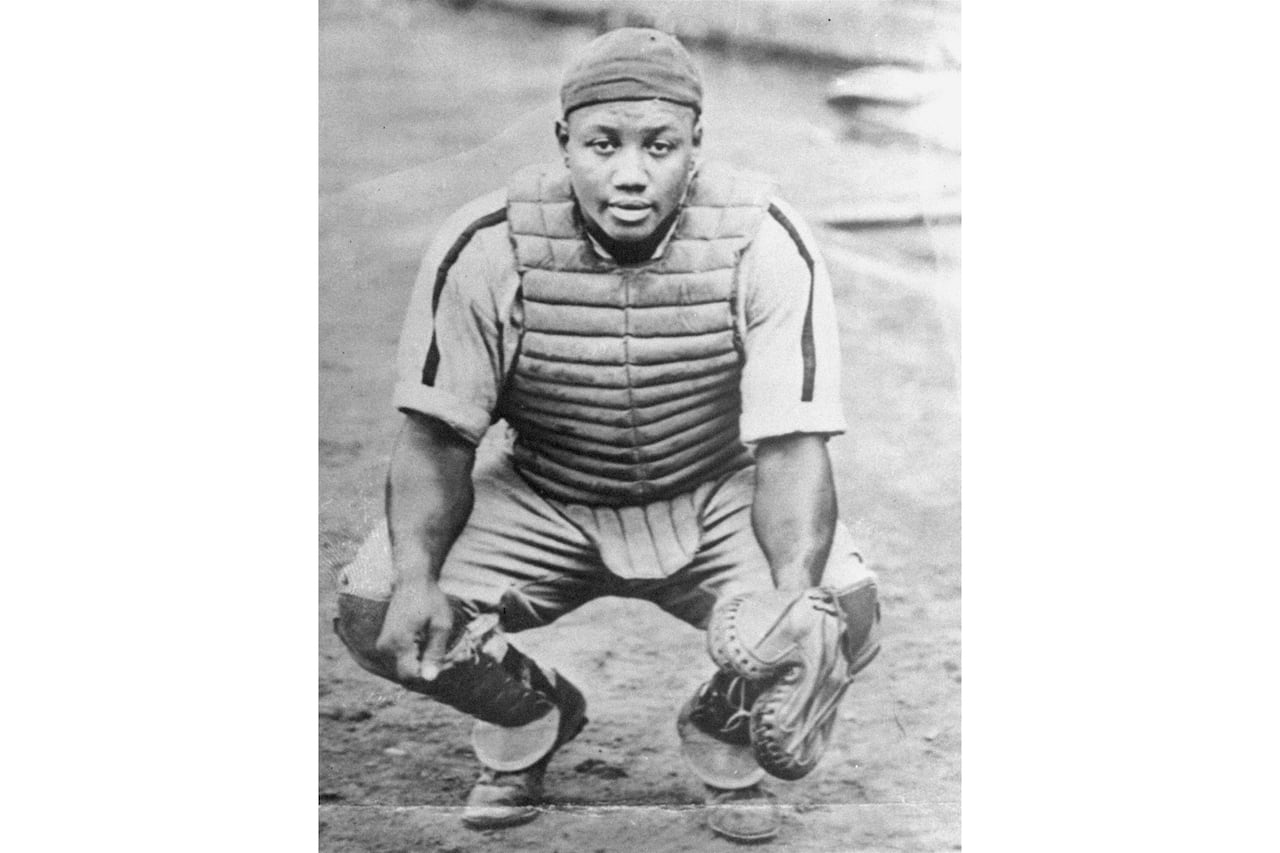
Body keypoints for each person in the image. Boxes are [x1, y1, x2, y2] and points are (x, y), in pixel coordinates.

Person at [333, 27, 881, 844]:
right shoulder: (488, 244)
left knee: (843, 609)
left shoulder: (765, 238)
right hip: (548, 493)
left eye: (659, 145)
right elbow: (437, 437)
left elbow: (792, 444)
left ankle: (723, 731)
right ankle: (529, 716)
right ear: (564, 143)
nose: (630, 172)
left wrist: (791, 592)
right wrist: (419, 572)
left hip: (710, 492)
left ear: (696, 143)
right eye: (602, 143)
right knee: (377, 604)